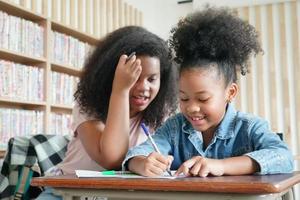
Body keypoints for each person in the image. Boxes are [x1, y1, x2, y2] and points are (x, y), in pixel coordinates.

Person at [123, 7, 294, 177]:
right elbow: (136, 154)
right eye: (184, 98)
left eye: (203, 99)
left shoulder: (249, 127)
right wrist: (141, 163)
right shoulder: (174, 128)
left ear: (230, 92)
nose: (191, 108)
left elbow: (284, 157)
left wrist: (222, 166)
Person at [36, 26, 177, 199]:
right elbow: (111, 158)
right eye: (134, 78)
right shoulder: (88, 104)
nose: (143, 88)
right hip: (70, 192)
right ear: (113, 76)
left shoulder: (160, 114)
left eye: (151, 79)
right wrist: (121, 90)